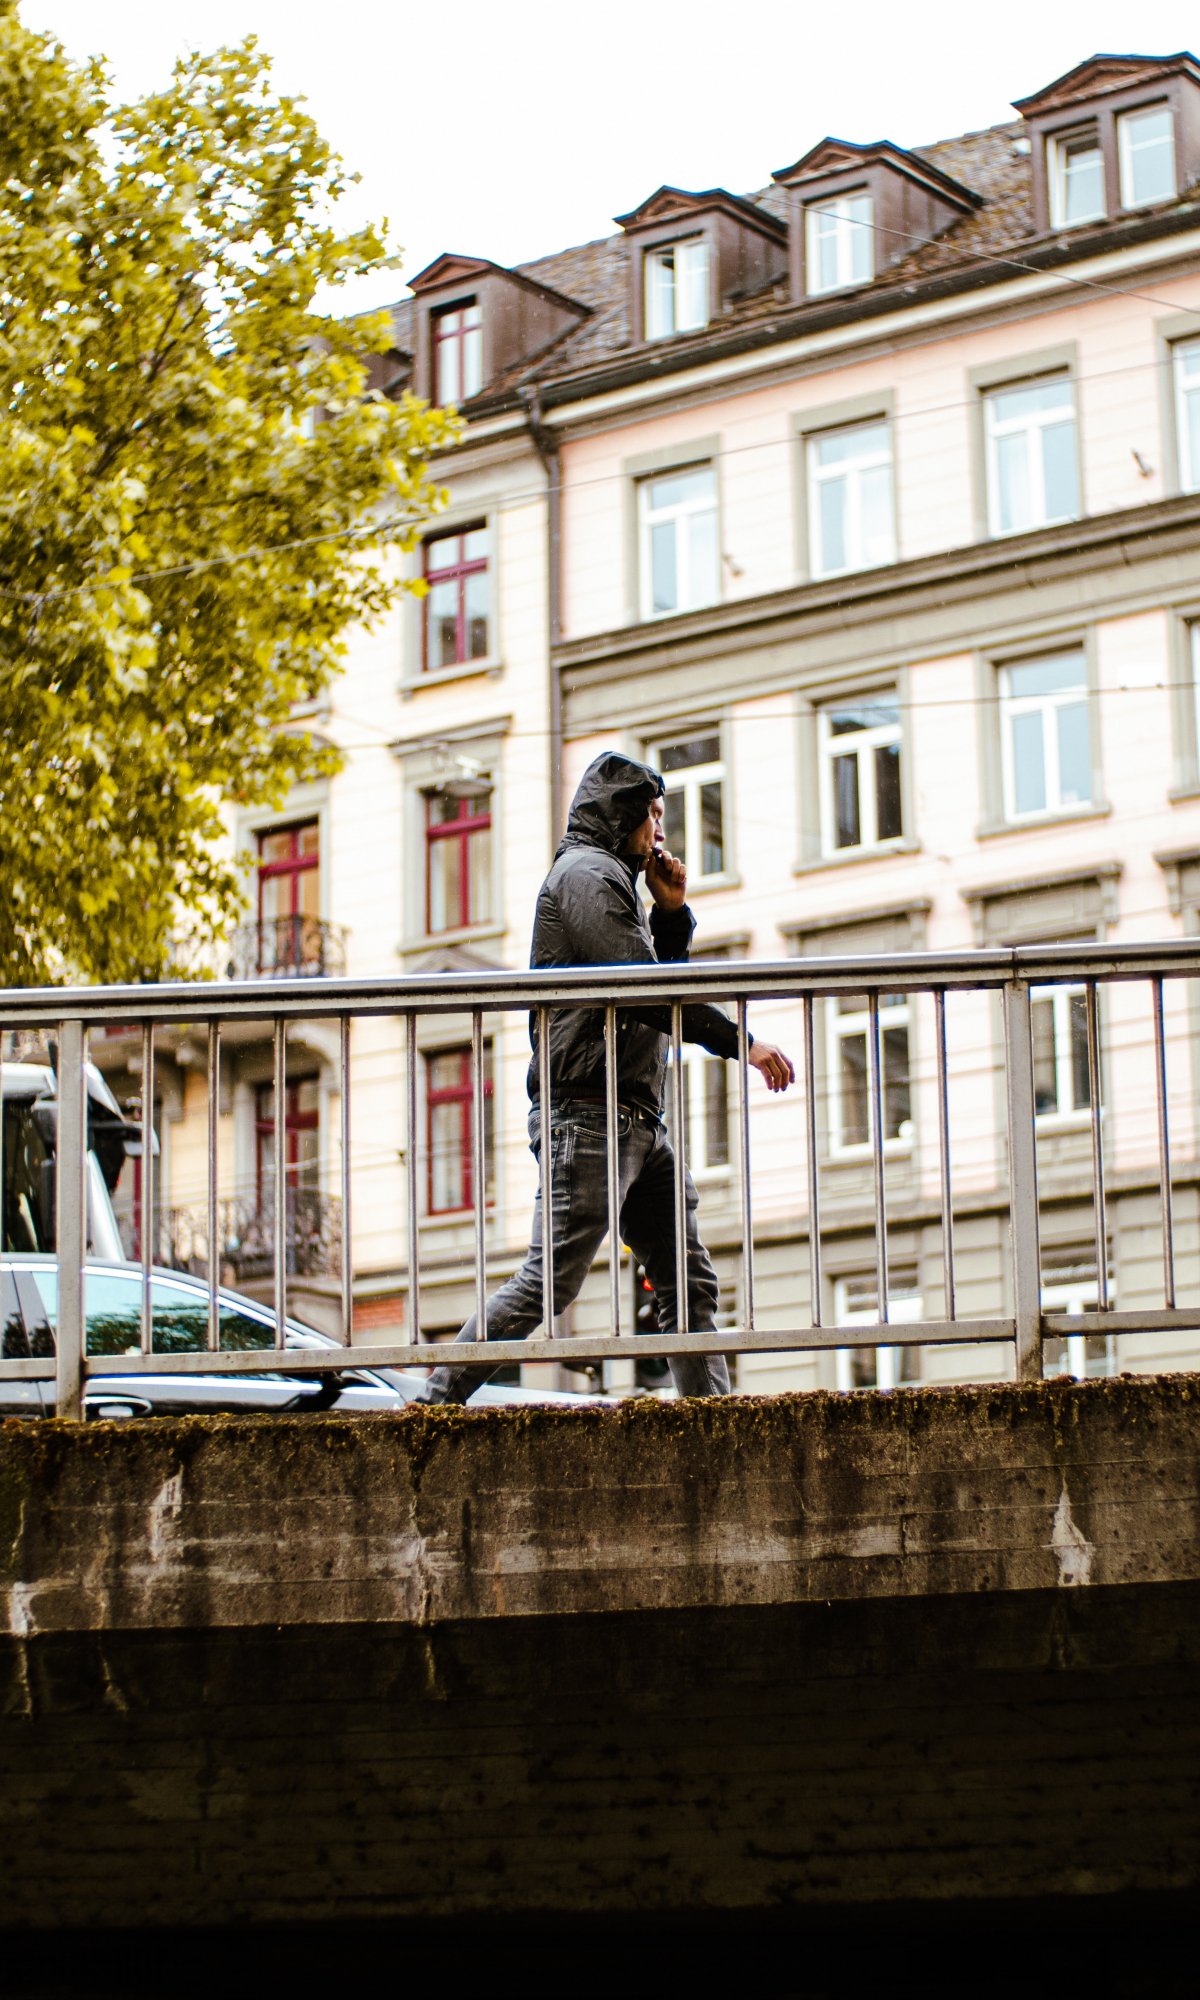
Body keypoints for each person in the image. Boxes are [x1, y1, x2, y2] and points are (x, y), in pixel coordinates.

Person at [417, 751, 794, 1404]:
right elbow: (647, 992)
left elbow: (655, 986)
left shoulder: (613, 880)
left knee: (687, 1283)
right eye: (652, 813)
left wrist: (670, 913)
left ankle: (716, 1424)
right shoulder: (585, 877)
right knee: (549, 1284)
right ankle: (431, 1403)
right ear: (621, 815)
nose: (661, 830)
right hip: (589, 1115)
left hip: (637, 1120)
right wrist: (744, 1044)